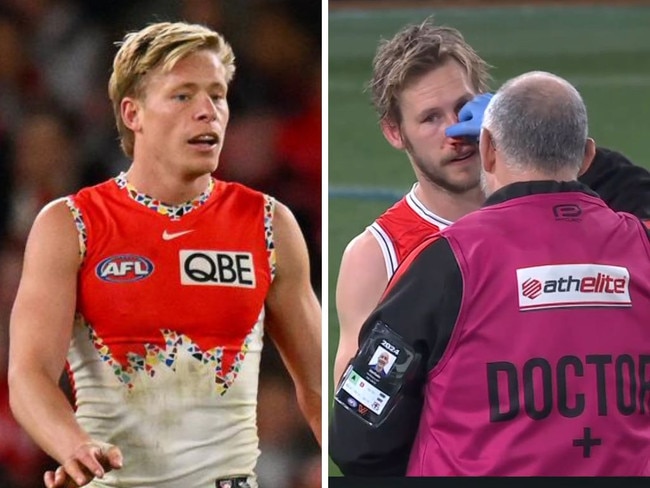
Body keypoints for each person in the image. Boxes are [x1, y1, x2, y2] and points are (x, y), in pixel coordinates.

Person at [8, 21, 321, 488]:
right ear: (133, 113)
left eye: (217, 95)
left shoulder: (268, 224)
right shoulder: (71, 225)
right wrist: (74, 445)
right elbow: (29, 374)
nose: (207, 111)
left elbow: (318, 388)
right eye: (183, 95)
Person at [330, 70, 650, 476]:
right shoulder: (639, 247)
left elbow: (358, 434)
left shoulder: (446, 260)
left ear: (487, 148)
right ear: (587, 156)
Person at [333, 17, 650, 385]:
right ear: (394, 132)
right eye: (431, 118)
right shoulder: (375, 258)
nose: (455, 131)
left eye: (464, 107)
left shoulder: (557, 206)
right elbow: (360, 405)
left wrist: (551, 144)